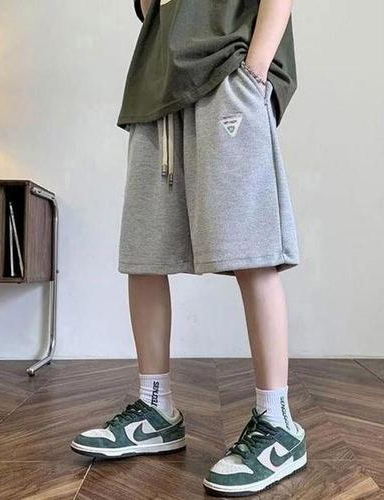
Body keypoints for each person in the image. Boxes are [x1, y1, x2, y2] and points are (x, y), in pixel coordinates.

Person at [71, 0, 306, 495]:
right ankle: (156, 408)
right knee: (145, 254)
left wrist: (254, 72)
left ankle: (278, 421)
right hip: (155, 89)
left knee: (253, 251)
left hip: (229, 72)